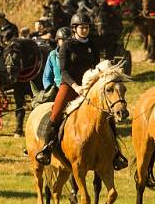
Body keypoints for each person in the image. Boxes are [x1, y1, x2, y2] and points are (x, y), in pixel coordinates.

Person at [36, 13, 128, 170]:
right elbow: (64, 71)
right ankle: (47, 148)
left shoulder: (92, 45)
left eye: (86, 27)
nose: (85, 30)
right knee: (56, 112)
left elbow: (96, 67)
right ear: (74, 28)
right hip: (70, 85)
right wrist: (75, 86)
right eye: (82, 27)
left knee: (108, 115)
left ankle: (116, 153)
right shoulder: (67, 46)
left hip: (90, 86)